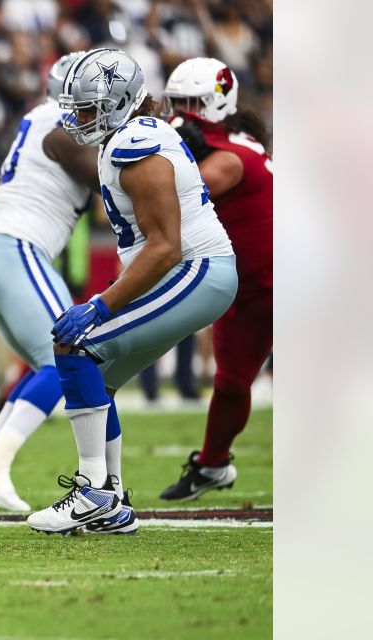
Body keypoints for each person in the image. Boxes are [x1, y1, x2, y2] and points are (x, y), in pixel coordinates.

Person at [27, 48, 238, 535]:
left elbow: (165, 247)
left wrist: (102, 303)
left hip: (195, 270)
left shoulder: (134, 144)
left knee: (74, 344)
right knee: (96, 376)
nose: (77, 119)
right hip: (187, 270)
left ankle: (94, 491)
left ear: (119, 102)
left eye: (86, 108)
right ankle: (113, 501)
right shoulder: (129, 134)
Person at [0, 52, 100, 512]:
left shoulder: (40, 119)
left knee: (49, 364)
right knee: (70, 358)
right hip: (15, 248)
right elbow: (107, 180)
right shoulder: (61, 124)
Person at [157, 57, 273, 501]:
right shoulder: (225, 141)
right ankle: (212, 465)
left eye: (192, 103)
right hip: (246, 288)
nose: (182, 113)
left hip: (282, 283)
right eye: (178, 102)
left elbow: (175, 194)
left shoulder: (229, 158)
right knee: (229, 383)